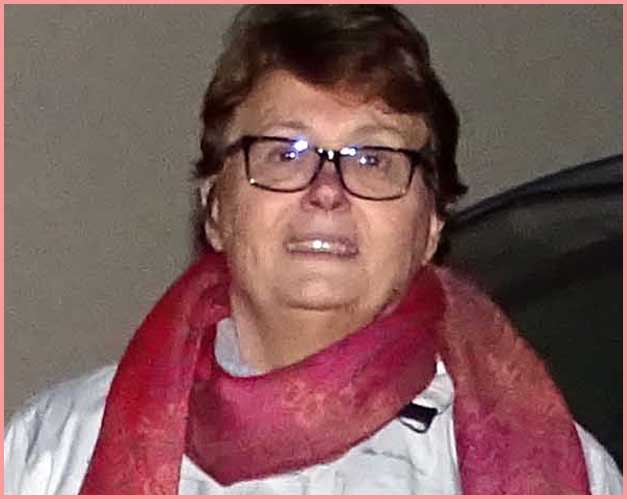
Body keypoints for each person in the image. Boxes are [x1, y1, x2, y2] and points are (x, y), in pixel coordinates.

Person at [4, 5, 622, 495]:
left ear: (432, 224)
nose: (327, 191)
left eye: (373, 158)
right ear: (215, 208)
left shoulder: (565, 472)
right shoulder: (57, 449)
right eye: (284, 153)